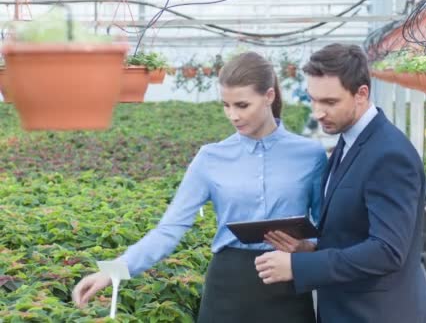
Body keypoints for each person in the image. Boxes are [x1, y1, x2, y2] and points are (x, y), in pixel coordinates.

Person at [71, 52, 327, 323]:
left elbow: (329, 226)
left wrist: (307, 249)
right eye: (226, 105)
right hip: (228, 285)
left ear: (269, 96)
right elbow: (170, 228)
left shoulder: (309, 155)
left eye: (242, 105)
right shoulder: (210, 158)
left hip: (288, 284)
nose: (233, 116)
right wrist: (112, 271)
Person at [255, 44, 426, 323]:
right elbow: (355, 233)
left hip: (378, 313)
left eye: (330, 102)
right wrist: (310, 248)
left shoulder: (389, 154)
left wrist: (299, 266)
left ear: (361, 94)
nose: (317, 112)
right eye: (313, 100)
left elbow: (387, 250)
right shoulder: (349, 142)